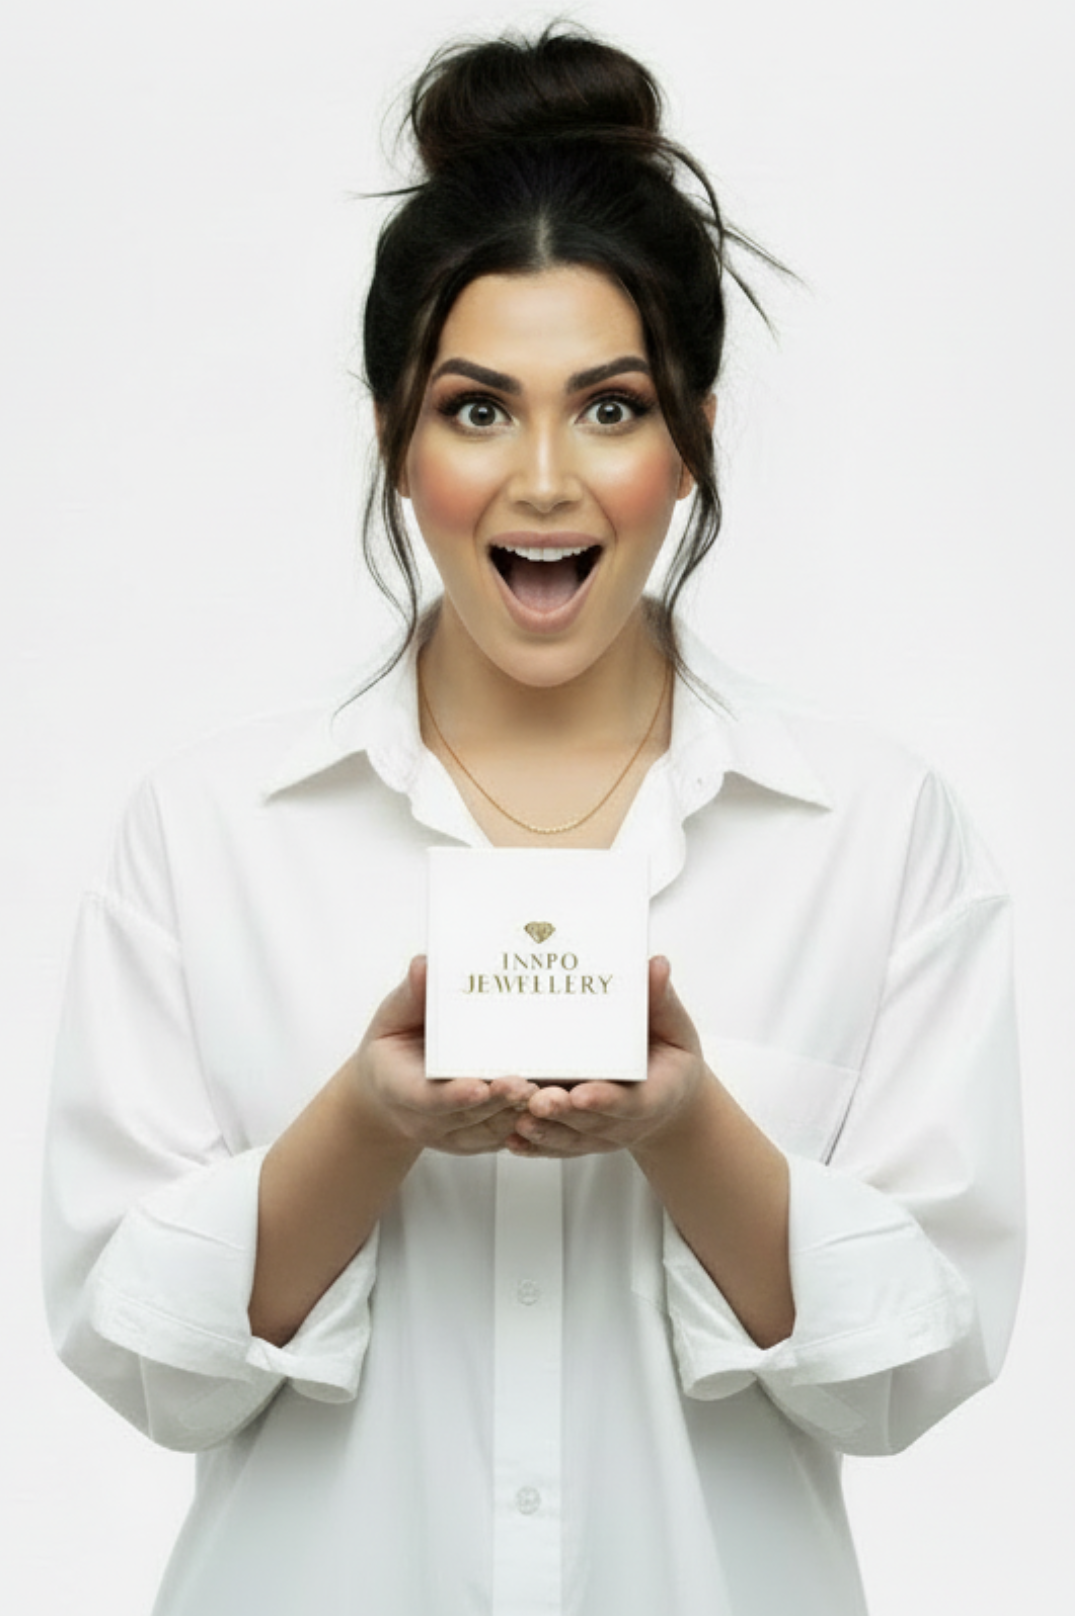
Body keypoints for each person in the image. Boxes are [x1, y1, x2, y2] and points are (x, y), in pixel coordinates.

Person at [42, 25, 1024, 1616]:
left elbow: (909, 1371)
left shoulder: (873, 831)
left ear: (692, 435)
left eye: (613, 408)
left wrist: (685, 1128)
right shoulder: (209, 832)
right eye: (478, 409)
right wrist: (367, 1126)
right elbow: (139, 1357)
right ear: (392, 432)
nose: (546, 482)